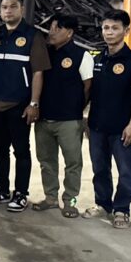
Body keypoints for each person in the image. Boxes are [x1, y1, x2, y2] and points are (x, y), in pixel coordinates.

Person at [0, 0, 50, 212]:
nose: (8, 11)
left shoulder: (32, 36)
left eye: (13, 6)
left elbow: (38, 72)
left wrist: (34, 103)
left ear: (22, 8)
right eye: (4, 7)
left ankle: (21, 193)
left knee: (21, 150)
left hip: (20, 106)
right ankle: (1, 190)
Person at [83, 10, 131, 229]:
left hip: (122, 127)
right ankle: (103, 204)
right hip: (97, 125)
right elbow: (89, 92)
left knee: (126, 170)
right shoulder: (97, 59)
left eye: (115, 28)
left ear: (126, 31)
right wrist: (85, 119)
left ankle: (121, 209)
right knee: (100, 168)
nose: (109, 32)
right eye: (106, 28)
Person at [33, 14, 93, 217]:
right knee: (46, 161)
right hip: (43, 119)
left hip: (69, 121)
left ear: (69, 32)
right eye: (51, 28)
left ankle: (70, 201)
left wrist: (75, 108)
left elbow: (88, 87)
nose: (52, 32)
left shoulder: (81, 55)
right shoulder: (45, 53)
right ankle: (50, 198)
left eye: (57, 28)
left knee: (73, 163)